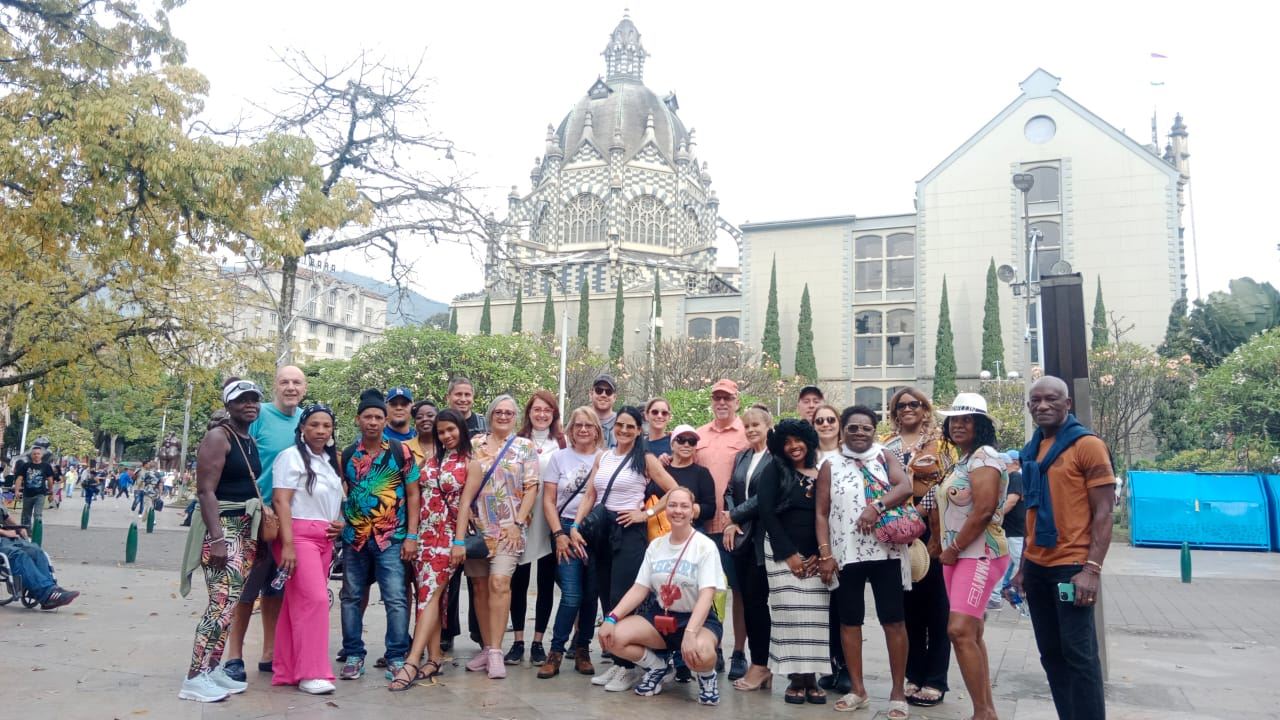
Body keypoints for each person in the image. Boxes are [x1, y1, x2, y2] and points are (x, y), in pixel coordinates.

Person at [1011, 376, 1115, 720]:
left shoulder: (1087, 445)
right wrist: (1023, 568)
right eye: (1036, 400)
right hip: (1038, 567)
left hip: (1072, 568)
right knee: (1051, 655)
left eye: (1051, 399)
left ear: (1067, 404)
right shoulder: (1032, 450)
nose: (1042, 405)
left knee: (1079, 656)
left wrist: (1092, 569)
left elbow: (1104, 512)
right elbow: (1032, 511)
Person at [569, 405, 679, 692]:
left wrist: (646, 514)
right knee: (605, 595)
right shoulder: (603, 456)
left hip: (629, 532)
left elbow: (674, 490)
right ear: (614, 426)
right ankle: (620, 661)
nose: (624, 430)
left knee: (623, 597)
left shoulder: (645, 458)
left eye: (630, 426)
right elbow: (590, 494)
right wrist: (575, 526)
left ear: (639, 430)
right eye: (620, 425)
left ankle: (633, 666)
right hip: (602, 530)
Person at [816, 405, 913, 718]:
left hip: (886, 552)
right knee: (849, 622)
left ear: (874, 430)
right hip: (847, 554)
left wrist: (876, 507)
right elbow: (821, 512)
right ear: (843, 430)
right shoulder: (829, 464)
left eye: (866, 428)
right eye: (853, 428)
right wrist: (825, 553)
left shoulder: (885, 456)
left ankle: (897, 693)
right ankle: (858, 689)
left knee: (893, 621)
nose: (859, 433)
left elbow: (905, 487)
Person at [177, 378, 267, 703]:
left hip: (244, 528)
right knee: (219, 605)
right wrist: (217, 538)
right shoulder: (219, 437)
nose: (250, 404)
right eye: (242, 399)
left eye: (254, 399)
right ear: (228, 404)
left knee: (229, 605)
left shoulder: (248, 438)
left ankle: (212, 669)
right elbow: (205, 491)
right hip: (223, 528)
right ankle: (193, 677)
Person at [596, 487, 725, 706]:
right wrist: (611, 618)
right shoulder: (656, 546)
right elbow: (640, 588)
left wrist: (691, 632)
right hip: (661, 616)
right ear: (665, 510)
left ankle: (706, 677)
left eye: (684, 506)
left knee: (702, 653)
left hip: (696, 618)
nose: (678, 511)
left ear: (692, 511)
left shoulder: (705, 546)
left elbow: (707, 594)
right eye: (672, 505)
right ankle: (658, 667)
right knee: (613, 637)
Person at [224, 365, 307, 683]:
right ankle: (234, 656)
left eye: (296, 382)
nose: (291, 387)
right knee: (246, 589)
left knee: (276, 588)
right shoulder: (259, 415)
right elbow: (240, 458)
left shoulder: (307, 420)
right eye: (285, 382)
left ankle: (270, 653)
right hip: (256, 516)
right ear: (275, 386)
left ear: (304, 388)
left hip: (292, 520)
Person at [930, 394, 1010, 720]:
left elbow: (984, 510)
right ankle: (986, 711)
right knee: (972, 633)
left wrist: (953, 548)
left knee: (959, 631)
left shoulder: (985, 457)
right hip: (960, 556)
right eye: (954, 419)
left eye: (968, 419)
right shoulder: (963, 459)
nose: (959, 425)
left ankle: (982, 713)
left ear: (982, 425)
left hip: (979, 553)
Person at [389, 409, 479, 691]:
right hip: (424, 536)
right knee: (431, 597)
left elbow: (465, 505)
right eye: (441, 432)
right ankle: (435, 657)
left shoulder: (471, 463)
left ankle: (412, 661)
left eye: (451, 429)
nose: (446, 435)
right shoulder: (429, 460)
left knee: (428, 596)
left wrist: (459, 542)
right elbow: (416, 496)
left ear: (461, 429)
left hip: (448, 537)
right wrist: (412, 535)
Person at [453, 395, 541, 680]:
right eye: (498, 412)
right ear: (490, 415)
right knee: (479, 587)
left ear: (516, 417)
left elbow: (532, 487)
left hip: (509, 528)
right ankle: (487, 646)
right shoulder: (474, 444)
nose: (503, 416)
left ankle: (496, 651)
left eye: (509, 412)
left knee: (500, 583)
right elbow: (462, 481)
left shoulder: (525, 447)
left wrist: (518, 522)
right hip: (477, 528)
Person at [337, 389, 421, 682]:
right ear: (358, 419)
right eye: (367, 417)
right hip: (355, 538)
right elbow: (342, 492)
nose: (372, 422)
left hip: (392, 538)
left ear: (385, 421)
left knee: (396, 598)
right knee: (351, 597)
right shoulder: (348, 454)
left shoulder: (400, 452)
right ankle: (353, 654)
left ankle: (396, 656)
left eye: (377, 417)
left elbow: (413, 494)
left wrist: (412, 536)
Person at [755, 418, 837, 704]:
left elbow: (826, 516)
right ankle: (795, 679)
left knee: (815, 618)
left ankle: (811, 678)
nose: (793, 446)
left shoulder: (822, 472)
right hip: (781, 553)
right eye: (787, 442)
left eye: (798, 440)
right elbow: (766, 513)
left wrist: (820, 554)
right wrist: (789, 554)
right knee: (789, 615)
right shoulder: (774, 470)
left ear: (809, 441)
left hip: (816, 556)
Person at [269, 404, 346, 695]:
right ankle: (312, 673)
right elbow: (281, 501)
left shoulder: (329, 460)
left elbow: (333, 500)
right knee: (316, 601)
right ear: (302, 428)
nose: (321, 431)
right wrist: (288, 545)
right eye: (314, 425)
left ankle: (288, 669)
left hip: (324, 538)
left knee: (297, 604)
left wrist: (339, 523)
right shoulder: (290, 457)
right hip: (298, 537)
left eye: (326, 425)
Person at [884, 387, 953, 707]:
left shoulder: (942, 444)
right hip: (896, 535)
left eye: (914, 404)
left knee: (937, 610)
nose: (908, 409)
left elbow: (946, 485)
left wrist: (916, 513)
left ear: (925, 409)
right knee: (906, 609)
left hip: (931, 533)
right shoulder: (886, 445)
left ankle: (936, 679)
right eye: (901, 405)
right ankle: (913, 675)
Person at [537, 407, 606, 678]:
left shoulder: (606, 457)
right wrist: (558, 534)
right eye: (578, 425)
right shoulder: (559, 458)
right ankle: (555, 651)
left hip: (595, 531)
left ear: (597, 430)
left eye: (589, 425)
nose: (583, 430)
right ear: (570, 430)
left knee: (590, 595)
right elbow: (549, 500)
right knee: (572, 593)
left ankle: (582, 649)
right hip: (565, 528)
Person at [505, 390, 564, 666]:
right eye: (537, 409)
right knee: (518, 581)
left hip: (550, 519)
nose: (542, 414)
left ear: (554, 414)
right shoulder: (516, 441)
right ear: (529, 412)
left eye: (547, 410)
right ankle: (518, 640)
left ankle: (539, 641)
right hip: (521, 518)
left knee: (545, 582)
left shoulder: (561, 443)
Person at [694, 378, 748, 675]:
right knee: (706, 590)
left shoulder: (747, 433)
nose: (722, 402)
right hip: (703, 527)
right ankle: (711, 647)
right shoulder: (699, 435)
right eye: (717, 398)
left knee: (739, 591)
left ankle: (739, 651)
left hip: (734, 528)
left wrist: (737, 517)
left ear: (737, 401)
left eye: (727, 398)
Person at [722, 405, 773, 691]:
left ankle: (761, 664)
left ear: (768, 426)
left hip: (764, 539)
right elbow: (730, 490)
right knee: (749, 603)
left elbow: (767, 496)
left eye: (756, 425)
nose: (751, 429)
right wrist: (732, 520)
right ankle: (759, 664)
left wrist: (734, 516)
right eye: (748, 425)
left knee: (758, 604)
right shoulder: (742, 456)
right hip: (741, 539)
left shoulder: (776, 457)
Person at [810, 401, 849, 694]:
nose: (825, 425)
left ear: (839, 424)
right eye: (819, 421)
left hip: (843, 539)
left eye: (830, 420)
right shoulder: (807, 457)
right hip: (813, 537)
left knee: (842, 606)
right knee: (820, 607)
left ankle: (847, 667)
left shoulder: (849, 455)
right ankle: (831, 664)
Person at [0, 504, 78, 608]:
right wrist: (4, 532)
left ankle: (51, 589)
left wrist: (20, 528)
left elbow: (6, 517)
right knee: (19, 556)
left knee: (36, 551)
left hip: (7, 540)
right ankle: (47, 595)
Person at [990, 455, 1025, 609]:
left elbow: (1011, 501)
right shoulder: (1005, 480)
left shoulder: (1015, 476)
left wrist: (993, 517)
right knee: (1002, 565)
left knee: (1022, 564)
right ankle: (995, 597)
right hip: (1008, 530)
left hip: (1016, 531)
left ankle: (1028, 593)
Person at [13, 446, 54, 530]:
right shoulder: (26, 466)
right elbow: (19, 478)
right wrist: (16, 491)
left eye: (38, 454)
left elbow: (50, 480)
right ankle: (26, 533)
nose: (36, 455)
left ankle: (36, 532)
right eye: (34, 454)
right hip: (27, 494)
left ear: (41, 455)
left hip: (40, 494)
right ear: (31, 455)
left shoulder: (46, 466)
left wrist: (51, 493)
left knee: (37, 514)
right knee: (26, 515)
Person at [407, 400, 439, 468]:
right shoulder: (403, 447)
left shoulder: (448, 446)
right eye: (419, 417)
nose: (424, 419)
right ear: (415, 422)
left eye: (430, 415)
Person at [591, 373, 619, 448]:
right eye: (599, 390)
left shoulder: (622, 423)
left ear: (614, 397)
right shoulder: (581, 421)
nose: (603, 395)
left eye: (608, 392)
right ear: (591, 394)